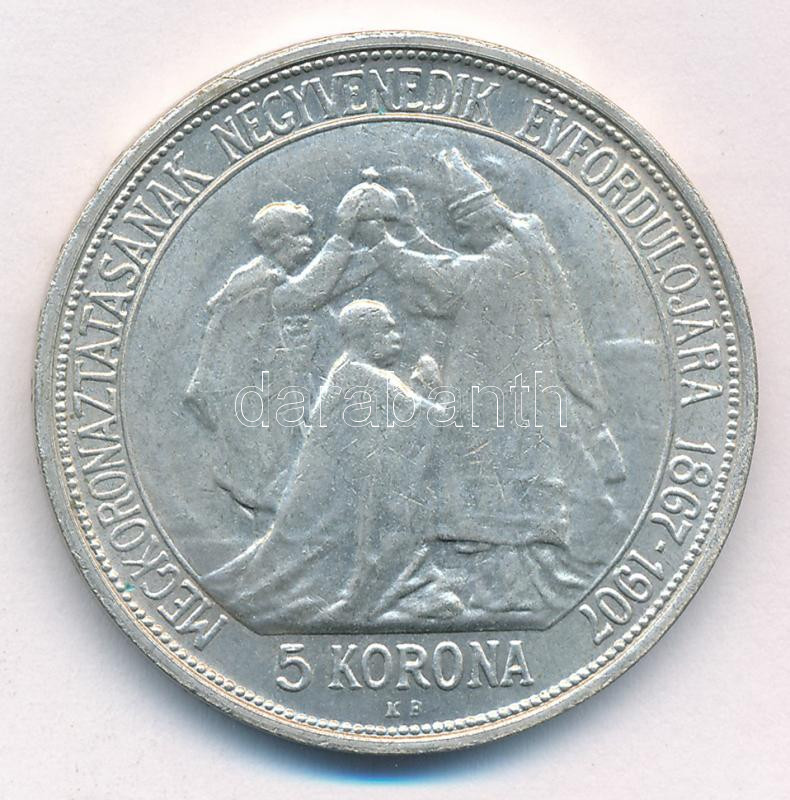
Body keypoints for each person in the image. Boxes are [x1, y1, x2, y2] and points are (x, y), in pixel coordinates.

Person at [200, 299, 463, 634]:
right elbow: (435, 420)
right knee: (290, 569)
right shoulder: (368, 378)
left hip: (325, 501)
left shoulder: (347, 370)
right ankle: (390, 589)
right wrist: (433, 384)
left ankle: (410, 583)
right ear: (365, 336)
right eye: (387, 329)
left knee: (280, 564)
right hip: (331, 509)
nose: (397, 336)